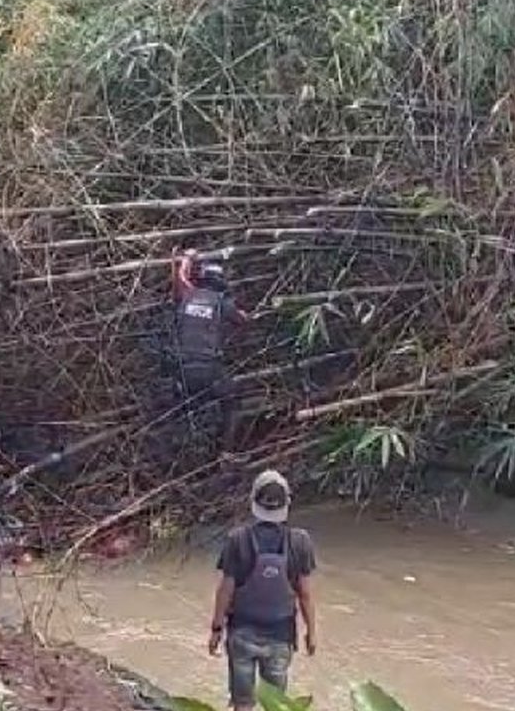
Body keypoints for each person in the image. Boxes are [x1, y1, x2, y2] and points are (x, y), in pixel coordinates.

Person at [208, 470, 317, 711]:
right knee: (276, 705)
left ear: (253, 502)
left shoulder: (237, 539)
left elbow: (225, 591)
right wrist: (311, 632)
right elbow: (305, 594)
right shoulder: (300, 542)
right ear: (286, 503)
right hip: (280, 636)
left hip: (242, 634)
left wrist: (216, 629)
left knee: (243, 704)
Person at [171, 248, 249, 456]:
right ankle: (226, 452)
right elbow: (242, 320)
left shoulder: (188, 295)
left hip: (183, 370)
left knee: (181, 407)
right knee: (232, 399)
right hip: (209, 370)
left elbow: (180, 277)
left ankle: (178, 448)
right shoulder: (221, 302)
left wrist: (186, 258)